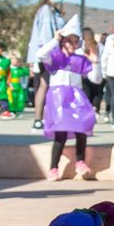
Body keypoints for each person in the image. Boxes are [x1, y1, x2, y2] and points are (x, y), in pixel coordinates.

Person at [38, 20, 97, 181]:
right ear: (62, 41)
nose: (72, 44)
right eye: (69, 40)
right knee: (60, 134)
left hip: (77, 97)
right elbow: (40, 54)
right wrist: (55, 40)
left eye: (76, 41)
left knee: (82, 129)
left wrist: (95, 62)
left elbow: (96, 79)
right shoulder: (55, 57)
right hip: (59, 99)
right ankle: (53, 168)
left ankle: (80, 161)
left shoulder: (80, 59)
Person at [27, 0, 66, 129]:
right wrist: (50, 54)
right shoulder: (46, 11)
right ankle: (39, 119)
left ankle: (44, 118)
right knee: (44, 85)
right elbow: (44, 37)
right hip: (48, 54)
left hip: (51, 53)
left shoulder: (54, 11)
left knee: (47, 86)